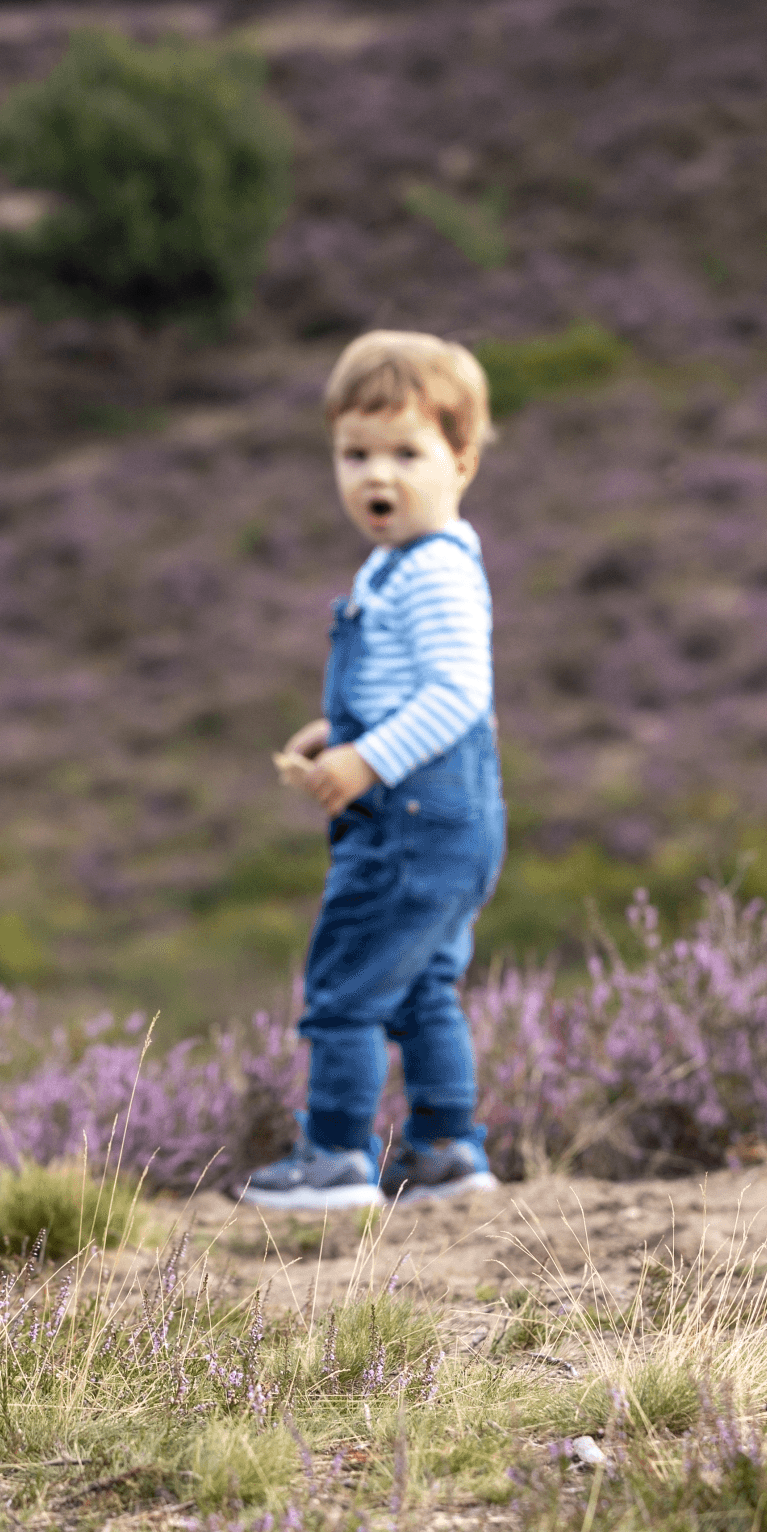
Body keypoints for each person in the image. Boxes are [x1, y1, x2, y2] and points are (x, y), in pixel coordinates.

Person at [245, 331, 507, 1212]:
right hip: (451, 823)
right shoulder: (400, 565)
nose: (375, 476)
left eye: (406, 452)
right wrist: (339, 729)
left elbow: (459, 694)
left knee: (344, 987)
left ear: (461, 461)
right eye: (354, 454)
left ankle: (334, 1157)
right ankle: (445, 1152)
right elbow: (414, 690)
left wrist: (365, 758)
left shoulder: (431, 572)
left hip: (410, 821)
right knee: (424, 987)